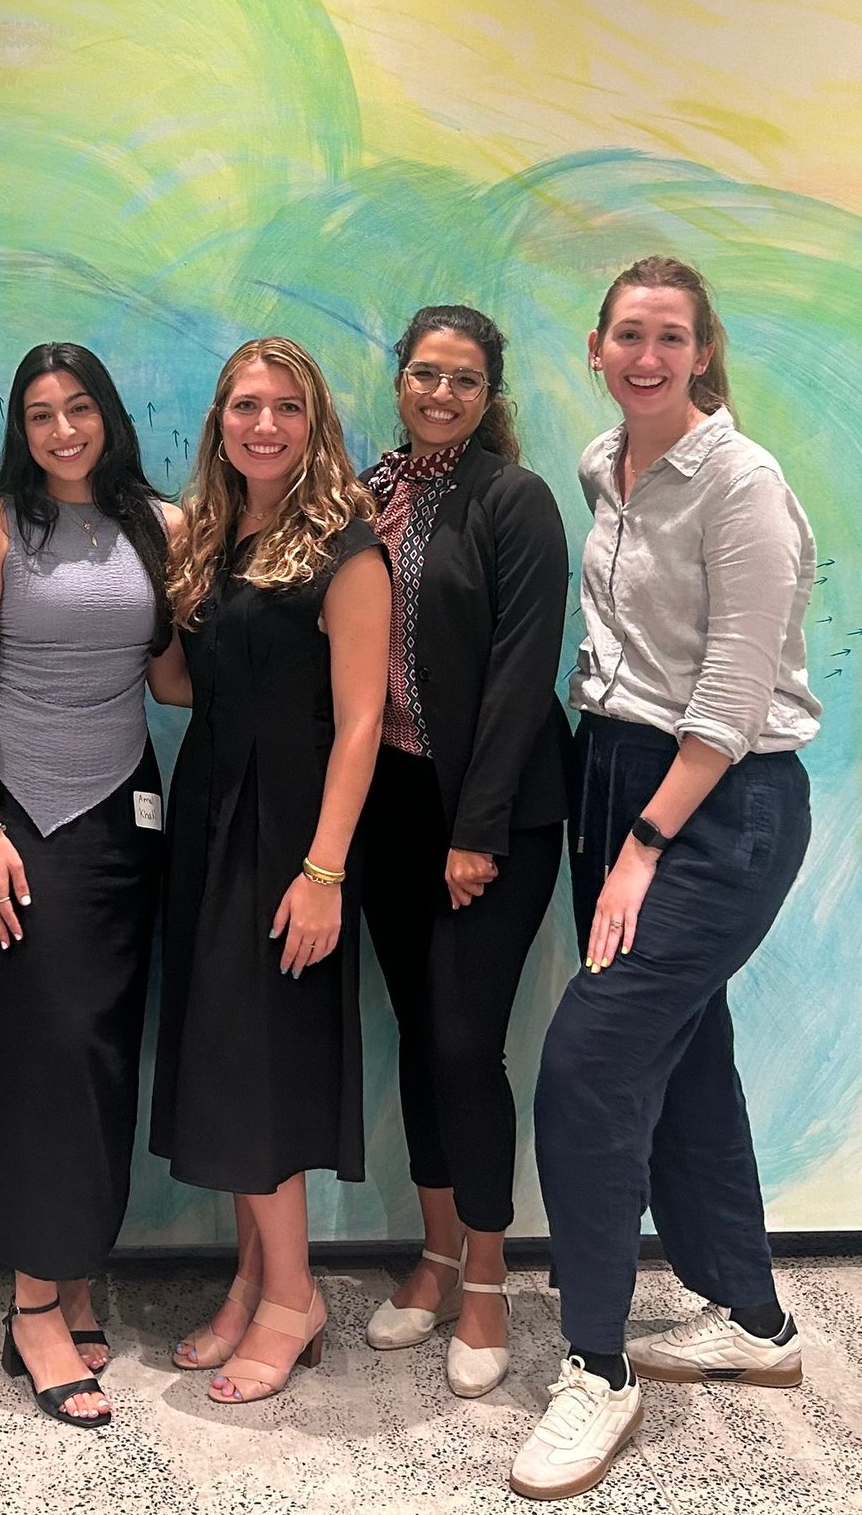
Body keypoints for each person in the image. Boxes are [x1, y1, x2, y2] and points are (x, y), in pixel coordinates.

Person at [510, 256, 820, 1501]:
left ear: (702, 352)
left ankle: (597, 1366)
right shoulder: (607, 466)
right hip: (616, 773)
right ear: (596, 348)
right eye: (628, 335)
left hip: (718, 804)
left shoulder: (742, 483)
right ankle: (754, 1321)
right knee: (685, 1055)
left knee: (589, 1065)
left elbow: (734, 700)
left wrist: (642, 846)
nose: (648, 357)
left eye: (671, 337)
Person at [150, 336, 391, 1405]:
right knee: (226, 1054)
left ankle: (293, 1299)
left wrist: (323, 871)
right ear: (220, 420)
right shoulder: (214, 536)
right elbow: (184, 687)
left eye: (286, 407)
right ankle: (253, 1281)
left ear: (314, 423)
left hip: (292, 829)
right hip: (210, 812)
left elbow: (363, 719)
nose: (264, 424)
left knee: (258, 1066)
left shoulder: (346, 548)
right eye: (246, 405)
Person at [0, 342, 178, 1430]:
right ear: (21, 430)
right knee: (40, 1052)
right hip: (18, 818)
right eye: (40, 414)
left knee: (103, 1050)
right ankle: (34, 1302)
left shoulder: (161, 524)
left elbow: (169, 674)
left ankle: (76, 1274)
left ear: (107, 415)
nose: (62, 430)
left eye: (78, 408)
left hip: (125, 812)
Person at [358, 305, 570, 1397]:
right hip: (391, 805)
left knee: (462, 1042)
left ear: (490, 396)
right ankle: (437, 1257)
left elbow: (524, 672)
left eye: (464, 380)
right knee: (416, 1034)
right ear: (400, 379)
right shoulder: (370, 492)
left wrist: (477, 831)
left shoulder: (513, 499)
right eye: (426, 374)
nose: (441, 394)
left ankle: (487, 1277)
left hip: (494, 812)